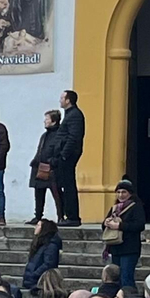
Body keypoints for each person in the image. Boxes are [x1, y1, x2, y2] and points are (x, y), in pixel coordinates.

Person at [105, 179, 148, 292]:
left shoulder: (136, 207)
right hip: (116, 247)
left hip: (129, 248)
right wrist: (106, 223)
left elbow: (139, 225)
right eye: (118, 192)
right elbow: (104, 226)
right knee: (116, 278)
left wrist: (120, 226)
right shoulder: (115, 208)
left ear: (130, 193)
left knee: (126, 277)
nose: (121, 195)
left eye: (124, 192)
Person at [56, 90, 86, 227]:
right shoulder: (70, 114)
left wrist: (64, 154)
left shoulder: (74, 115)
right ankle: (70, 215)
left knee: (68, 186)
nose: (60, 100)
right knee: (66, 185)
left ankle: (72, 216)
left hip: (68, 155)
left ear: (68, 100)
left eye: (62, 97)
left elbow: (73, 137)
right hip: (66, 154)